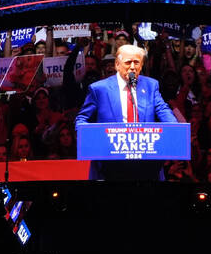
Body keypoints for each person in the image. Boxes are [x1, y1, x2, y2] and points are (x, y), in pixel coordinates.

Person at [76, 44, 178, 180]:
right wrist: (87, 136)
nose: (132, 67)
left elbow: (162, 109)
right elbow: (82, 118)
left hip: (146, 164)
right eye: (128, 62)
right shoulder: (99, 89)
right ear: (117, 64)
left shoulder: (151, 85)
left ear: (141, 65)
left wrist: (174, 129)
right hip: (110, 164)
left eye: (136, 62)